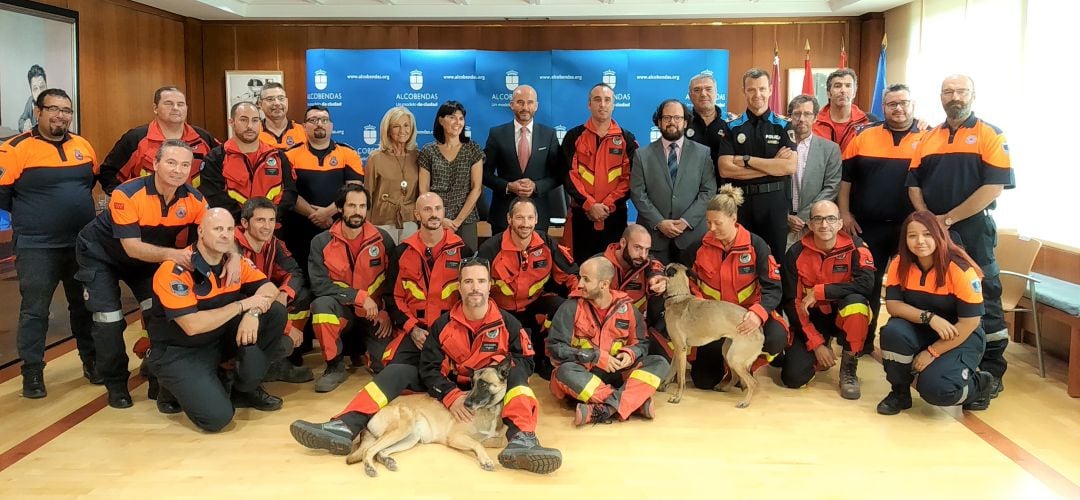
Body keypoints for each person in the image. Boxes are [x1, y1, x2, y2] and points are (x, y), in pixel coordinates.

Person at [289, 258, 563, 475]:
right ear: (460, 286)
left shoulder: (508, 323)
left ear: (490, 285)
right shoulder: (443, 325)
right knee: (398, 370)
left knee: (517, 376)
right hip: (448, 388)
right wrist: (450, 394)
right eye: (468, 282)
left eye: (481, 281)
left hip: (486, 388)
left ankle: (522, 439)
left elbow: (527, 361)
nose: (475, 287)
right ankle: (344, 426)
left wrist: (496, 372)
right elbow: (429, 368)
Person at [76, 140, 238, 409]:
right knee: (109, 321)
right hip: (102, 255)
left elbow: (216, 228)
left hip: (149, 260)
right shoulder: (126, 194)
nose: (178, 170)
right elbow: (132, 247)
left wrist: (234, 255)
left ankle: (158, 378)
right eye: (171, 163)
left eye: (185, 164)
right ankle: (116, 385)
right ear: (155, 164)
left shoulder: (194, 198)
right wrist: (174, 256)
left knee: (160, 317)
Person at [906, 74, 1014, 407]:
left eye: (961, 91)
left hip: (972, 232)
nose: (955, 97)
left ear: (973, 95)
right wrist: (927, 220)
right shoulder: (928, 137)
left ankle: (990, 374)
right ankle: (946, 357)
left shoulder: (990, 134)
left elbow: (994, 186)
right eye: (948, 91)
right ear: (940, 96)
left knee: (985, 299)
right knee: (935, 293)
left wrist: (948, 219)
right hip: (932, 232)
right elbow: (913, 183)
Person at [145, 208, 289, 430]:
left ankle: (244, 390)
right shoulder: (175, 271)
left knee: (275, 313)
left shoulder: (234, 262)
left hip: (217, 339)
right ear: (201, 232)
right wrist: (242, 305)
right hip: (180, 351)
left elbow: (270, 290)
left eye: (229, 229)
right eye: (218, 229)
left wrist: (253, 313)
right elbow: (192, 326)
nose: (225, 234)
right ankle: (168, 387)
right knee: (217, 419)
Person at [1, 88, 99, 398]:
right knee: (35, 312)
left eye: (66, 110)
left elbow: (89, 183)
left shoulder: (83, 145)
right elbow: (3, 197)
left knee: (83, 307)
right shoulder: (14, 148)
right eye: (53, 109)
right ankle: (32, 374)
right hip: (36, 246)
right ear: (38, 111)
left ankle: (91, 362)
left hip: (80, 246)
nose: (61, 115)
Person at [877, 211, 995, 415]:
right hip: (921, 329)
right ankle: (899, 393)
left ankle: (980, 385)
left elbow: (969, 323)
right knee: (892, 331)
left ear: (939, 235)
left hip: (960, 335)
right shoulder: (899, 263)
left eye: (927, 234)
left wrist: (932, 352)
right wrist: (930, 318)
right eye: (912, 235)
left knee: (937, 391)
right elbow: (894, 305)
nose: (920, 241)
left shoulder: (960, 269)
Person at [839, 83, 926, 352]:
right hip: (868, 227)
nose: (898, 108)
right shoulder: (863, 136)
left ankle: (906, 344)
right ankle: (863, 342)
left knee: (911, 286)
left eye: (903, 103)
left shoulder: (928, 137)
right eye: (892, 104)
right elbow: (845, 181)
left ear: (913, 105)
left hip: (910, 229)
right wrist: (844, 212)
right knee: (869, 286)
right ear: (883, 107)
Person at [680, 185, 788, 387]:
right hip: (713, 321)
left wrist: (758, 313)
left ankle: (746, 366)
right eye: (708, 223)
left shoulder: (757, 246)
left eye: (717, 223)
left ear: (733, 219)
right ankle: (727, 365)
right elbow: (681, 276)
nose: (711, 229)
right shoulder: (697, 247)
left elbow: (773, 288)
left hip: (746, 317)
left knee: (776, 337)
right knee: (704, 381)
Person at [547, 256, 669, 426]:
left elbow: (642, 343)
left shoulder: (628, 309)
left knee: (659, 362)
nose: (580, 284)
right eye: (580, 277)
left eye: (586, 279)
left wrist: (631, 353)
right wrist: (594, 356)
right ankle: (632, 403)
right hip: (586, 372)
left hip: (620, 373)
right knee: (563, 372)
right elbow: (555, 348)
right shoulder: (570, 307)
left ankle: (605, 409)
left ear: (604, 284)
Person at [780, 201, 874, 399]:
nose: (824, 225)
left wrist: (820, 292)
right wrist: (816, 344)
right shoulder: (795, 253)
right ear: (810, 224)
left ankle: (849, 368)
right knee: (793, 378)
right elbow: (792, 302)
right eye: (818, 219)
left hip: (844, 315)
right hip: (813, 319)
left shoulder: (857, 247)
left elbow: (866, 285)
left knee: (857, 305)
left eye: (831, 218)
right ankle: (824, 345)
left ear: (840, 223)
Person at [477, 197, 579, 380]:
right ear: (509, 219)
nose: (525, 224)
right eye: (520, 218)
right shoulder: (491, 249)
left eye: (530, 218)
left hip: (535, 305)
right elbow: (476, 288)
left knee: (564, 307)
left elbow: (571, 276)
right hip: (502, 312)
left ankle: (549, 359)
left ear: (536, 219)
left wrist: (579, 305)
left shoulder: (546, 243)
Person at [307, 184, 396, 392]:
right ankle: (334, 366)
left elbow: (394, 281)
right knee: (321, 306)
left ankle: (362, 353)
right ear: (340, 208)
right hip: (343, 311)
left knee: (386, 367)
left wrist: (386, 311)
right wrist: (358, 296)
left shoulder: (383, 239)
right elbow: (319, 285)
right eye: (352, 205)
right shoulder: (321, 242)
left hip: (375, 314)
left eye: (362, 206)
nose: (357, 212)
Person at [718, 68, 797, 263]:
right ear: (744, 91)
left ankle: (775, 295)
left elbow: (788, 168)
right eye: (751, 89)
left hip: (775, 202)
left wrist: (746, 161)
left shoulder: (784, 125)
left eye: (762, 89)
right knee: (741, 258)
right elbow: (725, 169)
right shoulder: (732, 126)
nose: (757, 94)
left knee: (775, 260)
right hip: (741, 202)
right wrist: (771, 167)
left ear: (770, 90)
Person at [236, 197, 314, 384]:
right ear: (244, 223)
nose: (267, 226)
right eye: (260, 220)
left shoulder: (273, 243)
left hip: (264, 304)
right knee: (284, 341)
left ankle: (276, 363)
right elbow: (240, 295)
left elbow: (294, 272)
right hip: (238, 312)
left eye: (271, 220)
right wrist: (288, 328)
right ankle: (237, 371)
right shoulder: (231, 248)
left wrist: (284, 292)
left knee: (302, 296)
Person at [389, 192, 473, 361]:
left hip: (452, 330)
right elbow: (392, 298)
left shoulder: (463, 251)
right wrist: (413, 329)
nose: (434, 214)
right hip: (414, 331)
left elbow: (471, 297)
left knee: (460, 372)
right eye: (427, 209)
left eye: (438, 209)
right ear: (417, 215)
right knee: (395, 369)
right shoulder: (401, 253)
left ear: (443, 212)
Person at [629, 98, 715, 264]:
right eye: (667, 118)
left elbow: (708, 191)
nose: (672, 122)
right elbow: (637, 193)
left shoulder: (702, 153)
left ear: (685, 122)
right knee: (655, 286)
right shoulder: (642, 155)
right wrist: (659, 222)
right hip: (653, 239)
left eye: (677, 118)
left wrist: (685, 222)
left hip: (692, 238)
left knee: (692, 287)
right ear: (659, 122)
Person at [562, 83, 639, 264]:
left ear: (613, 104)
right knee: (581, 268)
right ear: (589, 104)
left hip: (614, 217)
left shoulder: (626, 139)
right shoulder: (574, 137)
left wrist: (606, 206)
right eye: (597, 100)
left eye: (607, 100)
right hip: (581, 217)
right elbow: (568, 175)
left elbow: (630, 179)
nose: (602, 104)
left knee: (613, 267)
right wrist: (589, 205)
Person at [283, 105, 364, 273]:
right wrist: (317, 216)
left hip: (338, 227)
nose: (319, 124)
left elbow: (355, 190)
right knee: (301, 277)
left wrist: (327, 213)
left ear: (331, 125)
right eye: (313, 120)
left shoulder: (348, 154)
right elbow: (289, 192)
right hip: (299, 229)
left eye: (324, 120)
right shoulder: (290, 156)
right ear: (304, 126)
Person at [99, 86, 218, 194]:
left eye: (181, 104)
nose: (176, 108)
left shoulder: (203, 137)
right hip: (147, 211)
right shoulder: (136, 138)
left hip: (194, 209)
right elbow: (108, 173)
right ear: (155, 108)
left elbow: (220, 169)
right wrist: (123, 199)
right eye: (169, 103)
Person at [483, 84, 565, 234]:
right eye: (520, 102)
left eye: (530, 102)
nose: (525, 107)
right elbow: (484, 174)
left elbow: (559, 174)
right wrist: (508, 186)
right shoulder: (496, 134)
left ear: (537, 106)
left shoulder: (549, 134)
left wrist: (536, 186)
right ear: (511, 105)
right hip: (503, 215)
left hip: (537, 215)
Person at [200, 101, 297, 223]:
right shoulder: (215, 158)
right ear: (232, 122)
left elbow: (290, 193)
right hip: (232, 231)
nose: (250, 126)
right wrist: (248, 222)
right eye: (244, 120)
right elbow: (214, 197)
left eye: (255, 120)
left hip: (273, 230)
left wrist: (268, 221)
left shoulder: (277, 156)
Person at [418, 100, 484, 251]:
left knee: (467, 264)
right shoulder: (428, 151)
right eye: (452, 117)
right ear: (441, 120)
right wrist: (440, 219)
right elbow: (424, 191)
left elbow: (476, 188)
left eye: (461, 118)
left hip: (465, 219)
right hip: (434, 218)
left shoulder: (473, 149)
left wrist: (457, 221)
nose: (457, 122)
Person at [785, 94, 841, 249]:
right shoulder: (777, 145)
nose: (802, 119)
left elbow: (831, 187)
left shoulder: (830, 149)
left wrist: (805, 217)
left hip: (814, 225)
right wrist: (785, 217)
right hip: (782, 223)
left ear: (815, 117)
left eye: (807, 114)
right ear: (789, 117)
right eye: (797, 114)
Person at [366, 106, 420, 244]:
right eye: (396, 126)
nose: (403, 131)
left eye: (406, 125)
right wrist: (365, 227)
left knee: (407, 263)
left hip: (410, 221)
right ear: (388, 130)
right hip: (382, 222)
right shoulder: (375, 158)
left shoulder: (418, 156)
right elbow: (367, 195)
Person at [812, 68, 881, 150]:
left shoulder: (870, 121)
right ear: (828, 93)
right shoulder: (813, 121)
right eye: (838, 86)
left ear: (854, 93)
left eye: (848, 86)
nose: (843, 90)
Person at [685, 72, 733, 185]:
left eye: (708, 89)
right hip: (689, 194)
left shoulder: (731, 124)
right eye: (697, 90)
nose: (703, 94)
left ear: (716, 93)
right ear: (690, 95)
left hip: (724, 193)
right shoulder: (682, 123)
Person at [257, 82, 306, 151]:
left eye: (281, 98)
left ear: (287, 101)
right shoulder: (254, 133)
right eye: (270, 99)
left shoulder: (304, 132)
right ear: (260, 104)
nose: (277, 103)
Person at [17, 65, 47, 133]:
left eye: (42, 87)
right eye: (35, 89)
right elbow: (21, 120)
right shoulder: (31, 101)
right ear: (31, 91)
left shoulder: (53, 102)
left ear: (46, 86)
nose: (39, 92)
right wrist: (24, 125)